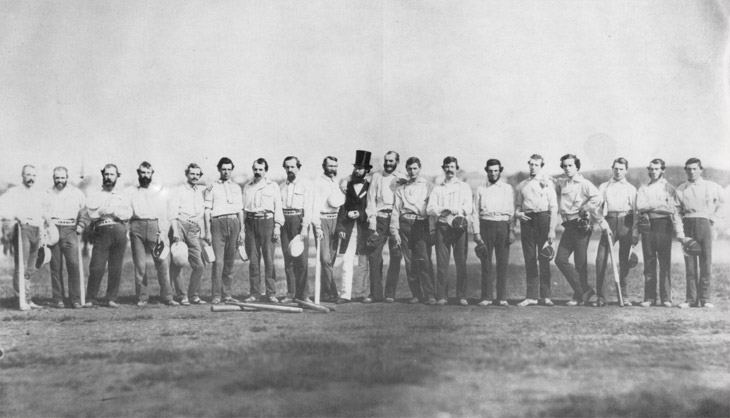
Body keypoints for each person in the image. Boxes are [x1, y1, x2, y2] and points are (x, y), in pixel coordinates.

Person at [675, 158, 725, 309]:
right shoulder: (681, 189)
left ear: (700, 170)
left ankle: (705, 298)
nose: (691, 171)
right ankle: (691, 299)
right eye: (688, 169)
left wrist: (714, 218)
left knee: (705, 262)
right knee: (690, 265)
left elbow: (724, 202)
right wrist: (680, 232)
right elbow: (676, 212)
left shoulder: (711, 186)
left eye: (695, 168)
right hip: (688, 223)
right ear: (686, 170)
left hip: (705, 223)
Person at [554, 154, 602, 306]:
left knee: (580, 262)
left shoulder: (584, 183)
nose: (567, 168)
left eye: (570, 165)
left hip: (581, 224)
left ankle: (579, 295)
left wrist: (585, 208)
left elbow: (598, 198)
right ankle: (584, 290)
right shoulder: (563, 183)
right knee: (560, 259)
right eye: (565, 166)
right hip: (568, 225)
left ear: (577, 167)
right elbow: (551, 181)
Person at [635, 158, 684, 308]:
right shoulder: (643, 188)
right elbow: (640, 207)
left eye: (657, 169)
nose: (653, 171)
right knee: (649, 262)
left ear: (662, 170)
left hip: (664, 225)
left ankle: (666, 298)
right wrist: (657, 205)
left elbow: (670, 209)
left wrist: (650, 207)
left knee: (664, 262)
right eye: (651, 169)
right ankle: (649, 298)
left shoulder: (669, 188)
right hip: (648, 225)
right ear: (648, 170)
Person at [128, 162, 178, 306]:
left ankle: (168, 297)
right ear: (138, 173)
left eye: (148, 173)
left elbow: (164, 213)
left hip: (154, 226)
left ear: (152, 174)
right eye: (142, 172)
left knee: (162, 262)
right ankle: (142, 297)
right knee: (140, 265)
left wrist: (162, 232)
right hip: (136, 226)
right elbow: (127, 211)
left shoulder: (158, 192)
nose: (145, 176)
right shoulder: (131, 192)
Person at [427, 156, 473, 306]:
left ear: (456, 168)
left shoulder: (464, 187)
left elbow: (469, 207)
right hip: (443, 227)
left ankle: (462, 296)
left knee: (461, 262)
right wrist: (443, 210)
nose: (449, 170)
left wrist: (457, 210)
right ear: (443, 168)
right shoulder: (438, 188)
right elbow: (430, 208)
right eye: (447, 167)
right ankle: (442, 295)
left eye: (452, 167)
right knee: (442, 263)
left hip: (459, 227)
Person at [85, 164, 132, 308]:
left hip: (119, 230)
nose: (109, 177)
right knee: (96, 267)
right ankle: (90, 298)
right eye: (106, 174)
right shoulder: (95, 194)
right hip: (101, 231)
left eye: (112, 174)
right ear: (102, 175)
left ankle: (111, 298)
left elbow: (128, 214)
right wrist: (103, 212)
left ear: (117, 176)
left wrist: (113, 211)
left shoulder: (122, 195)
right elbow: (91, 214)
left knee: (115, 267)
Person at [390, 157, 436, 304]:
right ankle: (416, 294)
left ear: (420, 168)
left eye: (415, 168)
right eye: (409, 168)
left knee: (424, 260)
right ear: (406, 169)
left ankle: (430, 294)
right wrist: (394, 231)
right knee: (409, 261)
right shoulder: (401, 189)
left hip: (420, 224)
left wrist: (432, 229)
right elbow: (396, 210)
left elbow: (430, 209)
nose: (412, 171)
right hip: (404, 224)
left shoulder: (428, 186)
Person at [514, 154, 558, 307]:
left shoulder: (548, 183)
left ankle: (546, 296)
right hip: (527, 221)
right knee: (530, 257)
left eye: (536, 165)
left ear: (541, 166)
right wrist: (518, 214)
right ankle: (531, 296)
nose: (533, 167)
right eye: (531, 164)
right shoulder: (522, 185)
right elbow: (518, 207)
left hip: (544, 219)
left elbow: (554, 207)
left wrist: (552, 229)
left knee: (544, 257)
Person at [593, 157, 638, 307]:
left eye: (621, 169)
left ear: (626, 170)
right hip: (609, 222)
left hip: (626, 222)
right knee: (600, 259)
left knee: (624, 259)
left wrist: (634, 231)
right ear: (612, 168)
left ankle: (624, 296)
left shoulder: (631, 188)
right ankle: (601, 297)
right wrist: (602, 222)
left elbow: (636, 212)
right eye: (616, 168)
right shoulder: (604, 187)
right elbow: (597, 209)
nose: (618, 171)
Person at [0, 165, 46, 310]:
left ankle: (28, 298)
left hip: (36, 229)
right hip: (22, 229)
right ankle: (21, 300)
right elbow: (3, 210)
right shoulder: (14, 192)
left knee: (30, 267)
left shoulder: (38, 194)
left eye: (33, 175)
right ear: (22, 175)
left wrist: (43, 232)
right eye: (28, 175)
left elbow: (41, 214)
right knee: (22, 265)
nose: (31, 178)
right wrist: (15, 217)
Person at [43, 166, 87, 309]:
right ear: (53, 178)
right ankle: (58, 299)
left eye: (62, 178)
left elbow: (85, 210)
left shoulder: (76, 193)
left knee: (73, 265)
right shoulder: (47, 193)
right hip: (53, 229)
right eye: (57, 178)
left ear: (67, 178)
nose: (60, 180)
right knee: (55, 267)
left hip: (70, 229)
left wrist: (80, 225)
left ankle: (74, 299)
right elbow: (41, 211)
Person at [472, 159, 515, 307]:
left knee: (502, 262)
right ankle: (487, 297)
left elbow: (511, 211)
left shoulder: (507, 188)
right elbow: (475, 213)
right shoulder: (480, 189)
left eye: (496, 170)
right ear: (486, 171)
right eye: (490, 171)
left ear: (500, 171)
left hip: (502, 224)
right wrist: (476, 233)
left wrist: (511, 231)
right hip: (486, 225)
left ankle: (502, 297)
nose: (493, 173)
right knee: (486, 262)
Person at [366, 151, 407, 303]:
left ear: (397, 161)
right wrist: (372, 221)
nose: (388, 163)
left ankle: (390, 293)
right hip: (380, 219)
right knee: (374, 256)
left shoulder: (403, 178)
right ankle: (375, 294)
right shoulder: (377, 177)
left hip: (396, 220)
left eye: (391, 161)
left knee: (396, 256)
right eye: (386, 160)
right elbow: (370, 200)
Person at [242, 158, 284, 303]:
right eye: (255, 169)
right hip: (251, 223)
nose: (257, 172)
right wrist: (242, 228)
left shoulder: (273, 186)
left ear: (265, 170)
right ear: (252, 169)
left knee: (269, 260)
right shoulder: (247, 187)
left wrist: (277, 227)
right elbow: (244, 210)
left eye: (260, 169)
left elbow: (278, 206)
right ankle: (254, 293)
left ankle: (271, 293)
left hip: (267, 222)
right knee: (253, 261)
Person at [203, 157, 244, 305]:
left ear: (232, 170)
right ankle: (216, 295)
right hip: (217, 223)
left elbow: (240, 210)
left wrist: (242, 230)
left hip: (234, 222)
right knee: (218, 261)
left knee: (229, 261)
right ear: (219, 169)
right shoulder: (212, 187)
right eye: (223, 169)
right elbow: (207, 210)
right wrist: (207, 231)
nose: (226, 172)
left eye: (229, 169)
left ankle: (227, 294)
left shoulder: (237, 188)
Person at [279, 156, 319, 303]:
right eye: (287, 167)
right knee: (288, 258)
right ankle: (291, 293)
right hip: (284, 222)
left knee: (301, 260)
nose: (290, 170)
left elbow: (308, 207)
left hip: (299, 221)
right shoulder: (281, 187)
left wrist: (304, 227)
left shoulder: (305, 184)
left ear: (298, 168)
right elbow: (278, 208)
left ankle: (303, 295)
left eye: (292, 167)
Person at [335, 150, 372, 304]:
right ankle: (345, 294)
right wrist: (341, 228)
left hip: (364, 228)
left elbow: (373, 206)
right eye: (356, 167)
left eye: (361, 168)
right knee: (347, 261)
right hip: (349, 228)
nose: (358, 170)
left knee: (363, 262)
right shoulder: (346, 185)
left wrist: (361, 214)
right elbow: (341, 207)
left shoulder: (371, 185)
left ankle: (362, 293)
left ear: (366, 170)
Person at [168, 163, 207, 305]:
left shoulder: (200, 191)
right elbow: (172, 212)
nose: (195, 176)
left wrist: (201, 229)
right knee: (178, 262)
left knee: (199, 265)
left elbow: (202, 213)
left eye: (197, 174)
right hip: (180, 225)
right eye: (192, 174)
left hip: (193, 229)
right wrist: (176, 231)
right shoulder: (179, 190)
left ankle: (194, 295)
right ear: (187, 174)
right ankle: (182, 295)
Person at [313, 156, 344, 302]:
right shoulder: (318, 183)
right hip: (322, 220)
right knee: (325, 259)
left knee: (330, 261)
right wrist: (317, 226)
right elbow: (314, 206)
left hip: (335, 220)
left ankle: (324, 293)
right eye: (330, 166)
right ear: (324, 166)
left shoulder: (337, 182)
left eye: (335, 166)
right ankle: (334, 293)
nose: (333, 169)